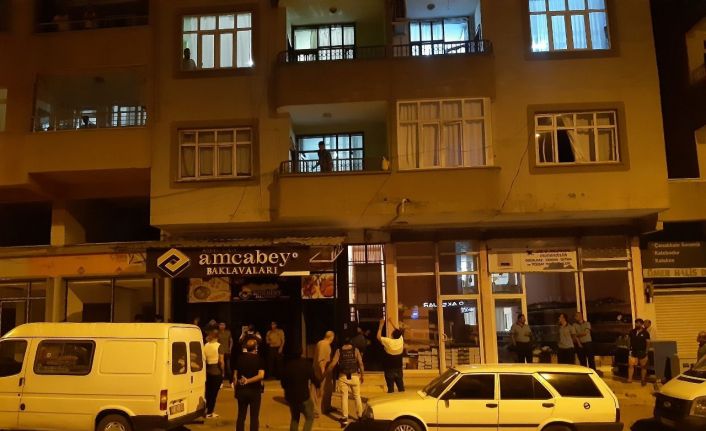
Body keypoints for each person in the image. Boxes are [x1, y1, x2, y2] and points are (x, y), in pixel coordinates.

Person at [327, 333, 364, 427]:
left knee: (344, 397)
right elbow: (360, 363)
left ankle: (344, 418)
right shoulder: (355, 350)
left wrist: (327, 373)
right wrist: (362, 375)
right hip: (354, 376)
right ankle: (360, 416)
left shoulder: (339, 351)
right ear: (351, 342)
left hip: (343, 376)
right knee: (357, 396)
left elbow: (333, 363)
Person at [234, 338, 265, 431]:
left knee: (241, 416)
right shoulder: (259, 359)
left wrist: (236, 387)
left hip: (241, 390)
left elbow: (235, 376)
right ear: (255, 347)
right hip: (254, 391)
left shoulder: (239, 358)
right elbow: (261, 375)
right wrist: (248, 380)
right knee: (254, 417)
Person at [281, 350, 317, 431]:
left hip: (291, 397)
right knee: (309, 417)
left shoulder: (287, 365)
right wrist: (318, 384)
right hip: (303, 397)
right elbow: (313, 378)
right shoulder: (306, 364)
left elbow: (283, 383)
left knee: (295, 418)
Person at [377, 317, 405, 393]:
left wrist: (381, 325)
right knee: (401, 387)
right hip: (398, 367)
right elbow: (398, 331)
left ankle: (391, 397)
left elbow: (378, 337)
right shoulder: (400, 340)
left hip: (389, 368)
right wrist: (391, 322)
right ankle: (402, 398)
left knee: (390, 388)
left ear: (392, 335)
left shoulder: (389, 342)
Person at [311, 331, 334, 417]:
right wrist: (323, 372)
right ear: (331, 337)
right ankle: (316, 410)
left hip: (321, 371)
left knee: (325, 390)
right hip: (321, 371)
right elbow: (321, 360)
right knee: (320, 391)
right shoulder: (324, 344)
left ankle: (325, 407)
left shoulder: (320, 343)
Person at [204, 328, 224, 419]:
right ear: (218, 337)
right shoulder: (219, 346)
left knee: (208, 392)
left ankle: (206, 409)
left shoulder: (206, 345)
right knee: (214, 394)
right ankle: (210, 412)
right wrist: (223, 372)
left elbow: (204, 359)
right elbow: (221, 361)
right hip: (216, 372)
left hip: (208, 372)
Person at [628, 318, 651, 386]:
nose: (636, 324)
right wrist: (629, 348)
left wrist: (646, 351)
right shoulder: (632, 331)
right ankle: (629, 379)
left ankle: (643, 380)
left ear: (641, 324)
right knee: (631, 365)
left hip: (642, 351)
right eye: (636, 323)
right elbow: (629, 340)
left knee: (643, 367)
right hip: (633, 351)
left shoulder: (645, 333)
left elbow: (648, 342)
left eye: (638, 323)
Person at [218, 322, 234, 388]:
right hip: (220, 352)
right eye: (220, 325)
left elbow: (231, 341)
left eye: (223, 325)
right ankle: (221, 382)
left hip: (227, 351)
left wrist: (230, 348)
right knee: (221, 367)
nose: (222, 326)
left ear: (225, 326)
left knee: (228, 368)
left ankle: (231, 382)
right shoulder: (217, 333)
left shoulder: (228, 332)